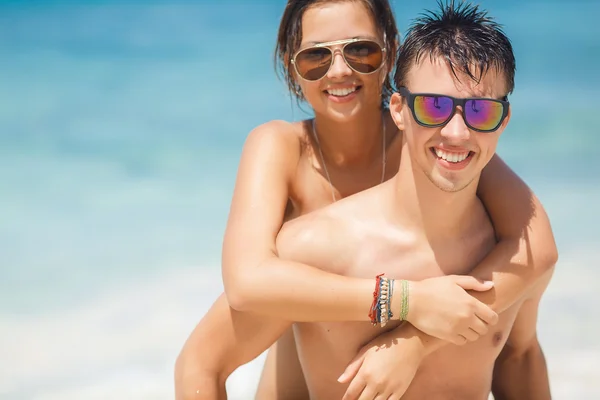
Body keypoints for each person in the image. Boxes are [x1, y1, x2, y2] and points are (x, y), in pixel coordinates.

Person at [174, 1, 557, 399]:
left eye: (360, 50)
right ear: (292, 66)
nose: (339, 70)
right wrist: (407, 300)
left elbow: (537, 249)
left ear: (389, 53)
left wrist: (416, 340)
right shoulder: (286, 158)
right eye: (315, 57)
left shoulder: (441, 142)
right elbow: (245, 284)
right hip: (300, 365)